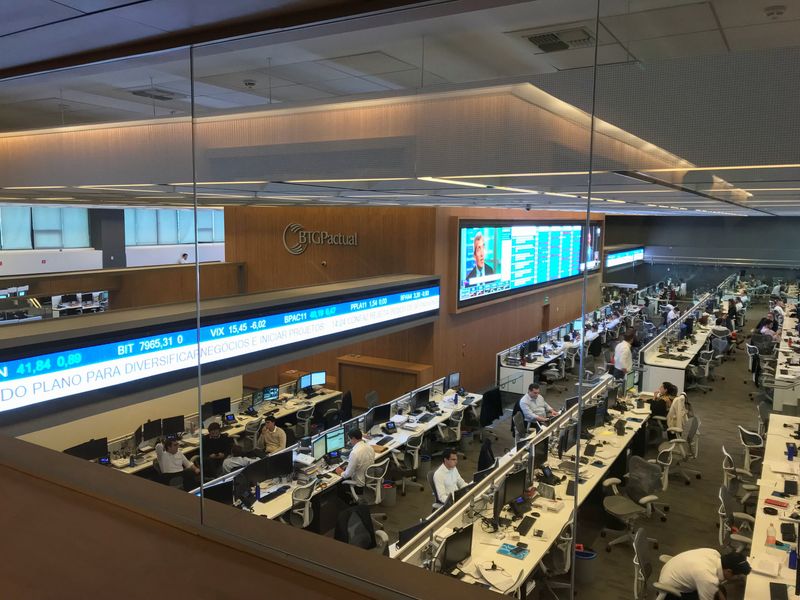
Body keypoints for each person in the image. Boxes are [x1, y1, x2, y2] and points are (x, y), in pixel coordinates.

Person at [658, 548, 750, 600]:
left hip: (672, 572)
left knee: (720, 590)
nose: (738, 578)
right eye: (737, 576)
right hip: (670, 592)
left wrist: (721, 596)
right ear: (729, 571)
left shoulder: (714, 553)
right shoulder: (708, 577)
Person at [335, 428, 375, 494]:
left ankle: (349, 500)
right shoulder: (369, 447)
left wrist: (341, 472)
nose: (350, 442)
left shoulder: (354, 453)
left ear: (353, 438)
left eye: (350, 439)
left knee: (339, 482)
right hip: (368, 477)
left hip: (359, 483)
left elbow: (347, 475)